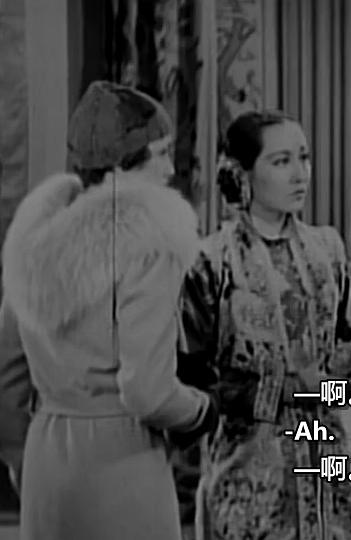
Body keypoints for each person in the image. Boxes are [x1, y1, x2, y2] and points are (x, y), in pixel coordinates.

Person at [0, 80, 218, 540]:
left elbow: (8, 375)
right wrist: (200, 410)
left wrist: (21, 456)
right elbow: (147, 391)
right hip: (122, 463)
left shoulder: (34, 239)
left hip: (46, 462)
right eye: (160, 154)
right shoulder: (147, 241)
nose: (170, 169)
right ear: (122, 166)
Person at [179, 110, 351, 539]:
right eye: (281, 161)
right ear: (242, 174)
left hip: (328, 465)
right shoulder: (213, 262)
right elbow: (193, 379)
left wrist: (328, 383)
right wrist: (279, 390)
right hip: (251, 474)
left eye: (304, 158)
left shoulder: (327, 250)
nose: (300, 174)